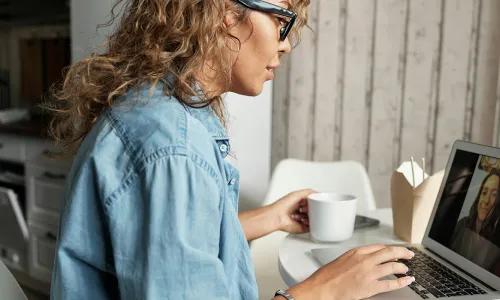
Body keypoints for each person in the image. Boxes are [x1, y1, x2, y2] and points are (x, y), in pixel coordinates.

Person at [46, 0, 415, 299]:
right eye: (281, 18)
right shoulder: (175, 149)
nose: (285, 44)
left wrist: (269, 217)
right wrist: (322, 291)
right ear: (224, 12)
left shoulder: (154, 110)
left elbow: (168, 246)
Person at [451, 171, 500, 271]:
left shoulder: (496, 240)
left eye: (494, 195)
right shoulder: (462, 224)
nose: (485, 201)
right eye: (484, 193)